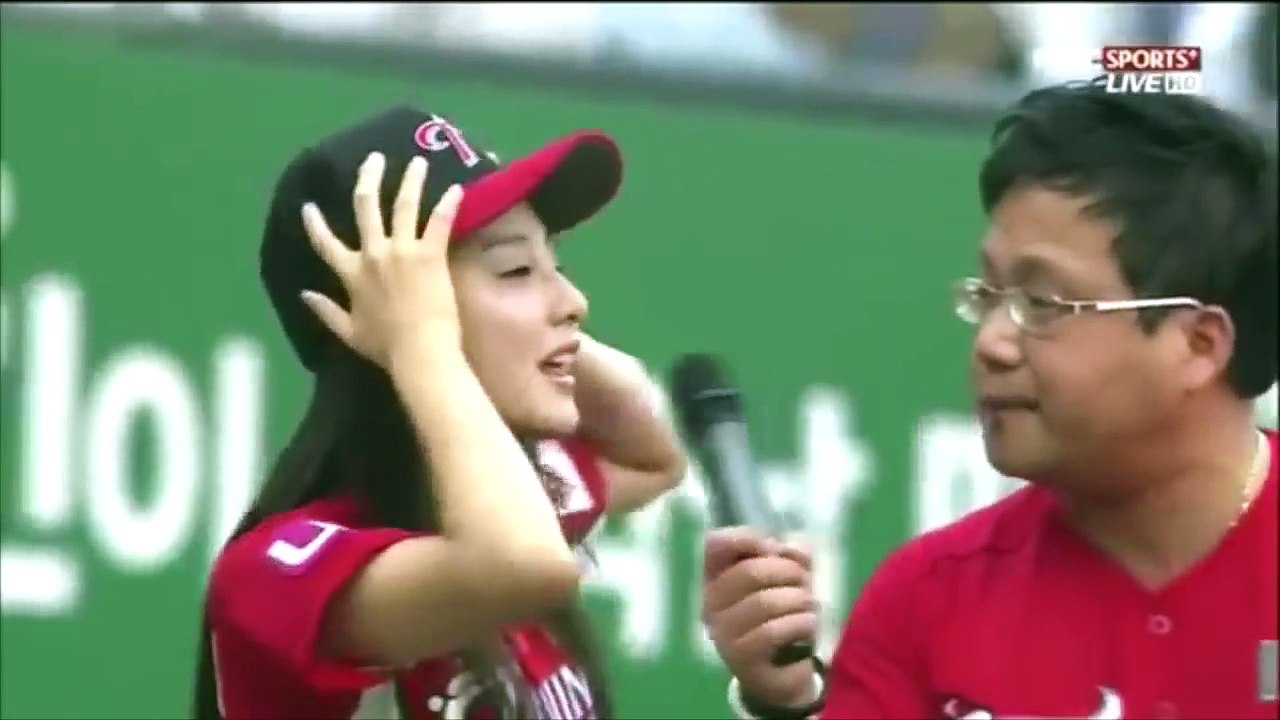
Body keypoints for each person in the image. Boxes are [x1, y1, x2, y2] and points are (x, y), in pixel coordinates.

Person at [703, 80, 1278, 720]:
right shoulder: (927, 601)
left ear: (1198, 344)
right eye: (989, 296)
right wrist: (785, 704)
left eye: (1042, 303)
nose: (992, 343)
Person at [189, 105, 696, 719]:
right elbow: (522, 567)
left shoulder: (515, 500)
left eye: (554, 265)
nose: (574, 301)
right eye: (514, 270)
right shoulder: (280, 573)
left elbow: (652, 456)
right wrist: (419, 341)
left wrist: (528, 334)